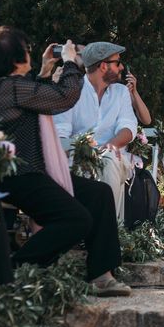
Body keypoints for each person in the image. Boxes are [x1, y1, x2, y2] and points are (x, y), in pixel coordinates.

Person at [0, 26, 130, 296]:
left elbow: (38, 101)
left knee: (99, 194)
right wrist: (71, 62)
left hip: (33, 171)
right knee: (76, 219)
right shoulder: (9, 87)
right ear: (13, 58)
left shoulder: (4, 87)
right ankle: (13, 270)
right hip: (20, 175)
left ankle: (101, 275)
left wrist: (45, 71)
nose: (29, 54)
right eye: (25, 51)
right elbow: (64, 98)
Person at [54, 42, 137, 222]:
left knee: (109, 160)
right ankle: (101, 230)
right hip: (76, 158)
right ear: (103, 66)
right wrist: (83, 154)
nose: (121, 66)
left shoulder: (121, 92)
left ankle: (105, 230)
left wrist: (107, 147)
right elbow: (61, 134)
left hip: (112, 157)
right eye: (117, 62)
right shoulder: (72, 90)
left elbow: (128, 128)